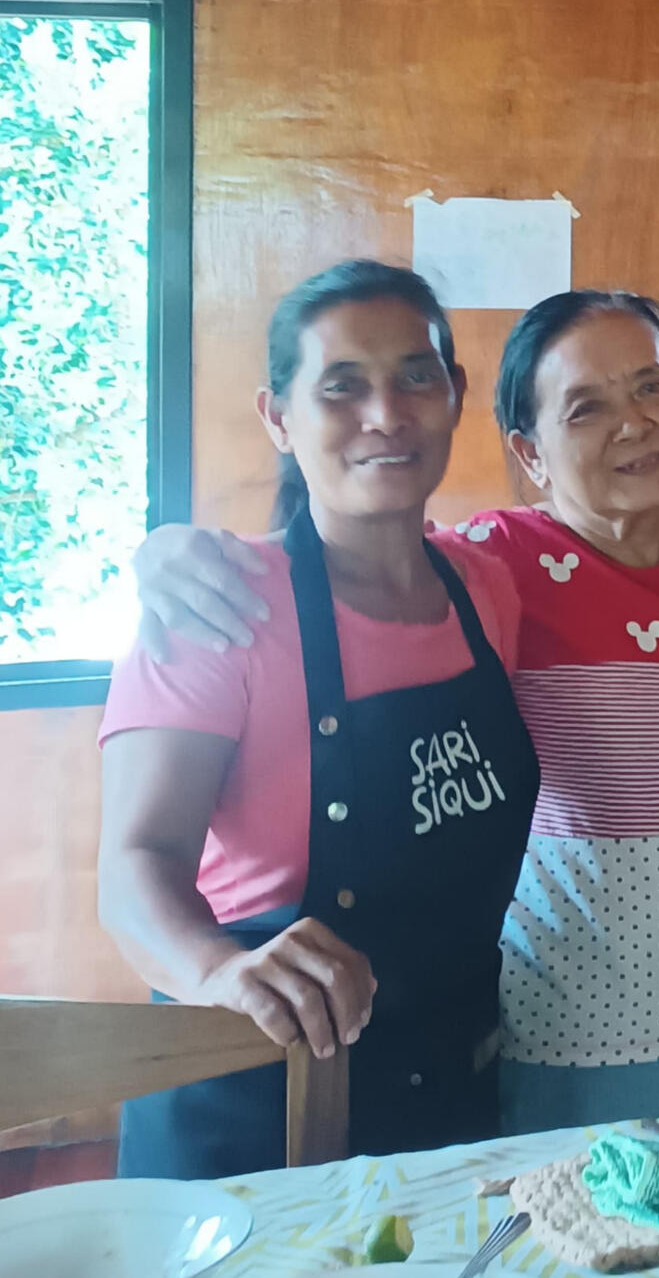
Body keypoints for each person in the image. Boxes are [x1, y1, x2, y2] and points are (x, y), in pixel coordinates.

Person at [132, 290, 659, 1131]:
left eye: (652, 386)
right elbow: (361, 562)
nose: (632, 424)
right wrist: (163, 550)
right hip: (563, 1030)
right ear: (529, 451)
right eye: (586, 407)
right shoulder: (497, 566)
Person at [99, 261, 538, 1177]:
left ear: (456, 394)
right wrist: (218, 970)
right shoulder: (219, 607)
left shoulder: (486, 586)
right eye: (341, 386)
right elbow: (135, 864)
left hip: (447, 1087)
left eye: (417, 375)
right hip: (256, 1093)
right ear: (278, 416)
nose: (386, 413)